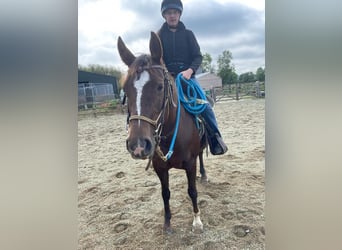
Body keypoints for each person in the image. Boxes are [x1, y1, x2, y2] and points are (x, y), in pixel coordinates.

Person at [157, 0, 228, 155]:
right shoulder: (159, 35)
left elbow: (197, 56)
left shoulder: (188, 34)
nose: (172, 16)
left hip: (187, 78)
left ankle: (215, 139)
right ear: (164, 15)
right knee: (152, 104)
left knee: (205, 106)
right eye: (169, 13)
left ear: (179, 14)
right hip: (168, 77)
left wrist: (189, 71)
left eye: (175, 12)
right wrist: (166, 72)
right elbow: (158, 57)